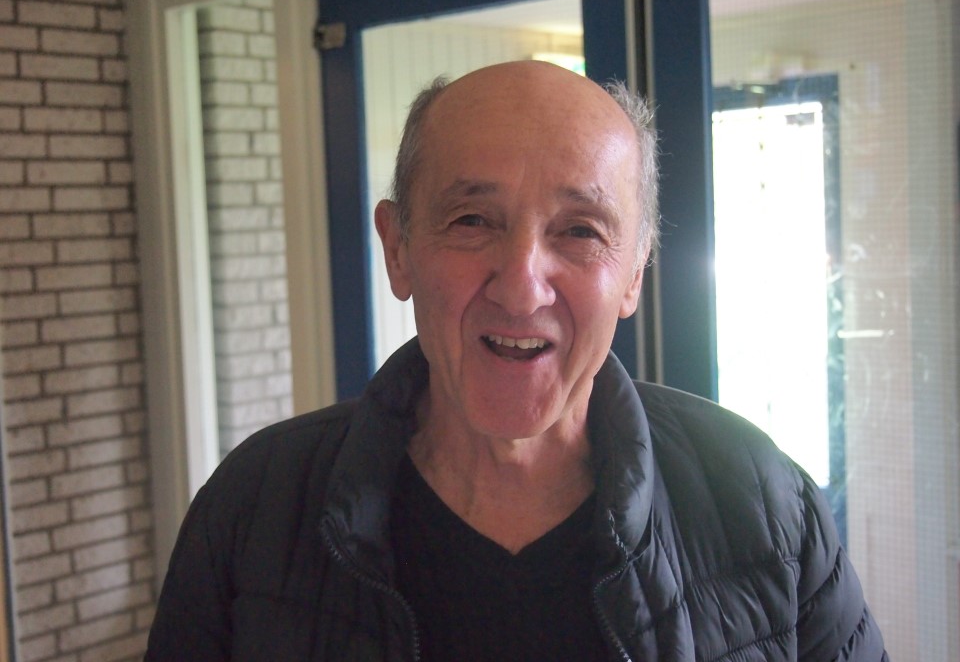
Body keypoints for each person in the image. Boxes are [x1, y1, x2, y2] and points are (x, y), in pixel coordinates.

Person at [145, 61, 888, 661]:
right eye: (472, 220)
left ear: (634, 271)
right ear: (398, 248)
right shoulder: (254, 509)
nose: (522, 286)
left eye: (581, 230)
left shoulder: (765, 507)